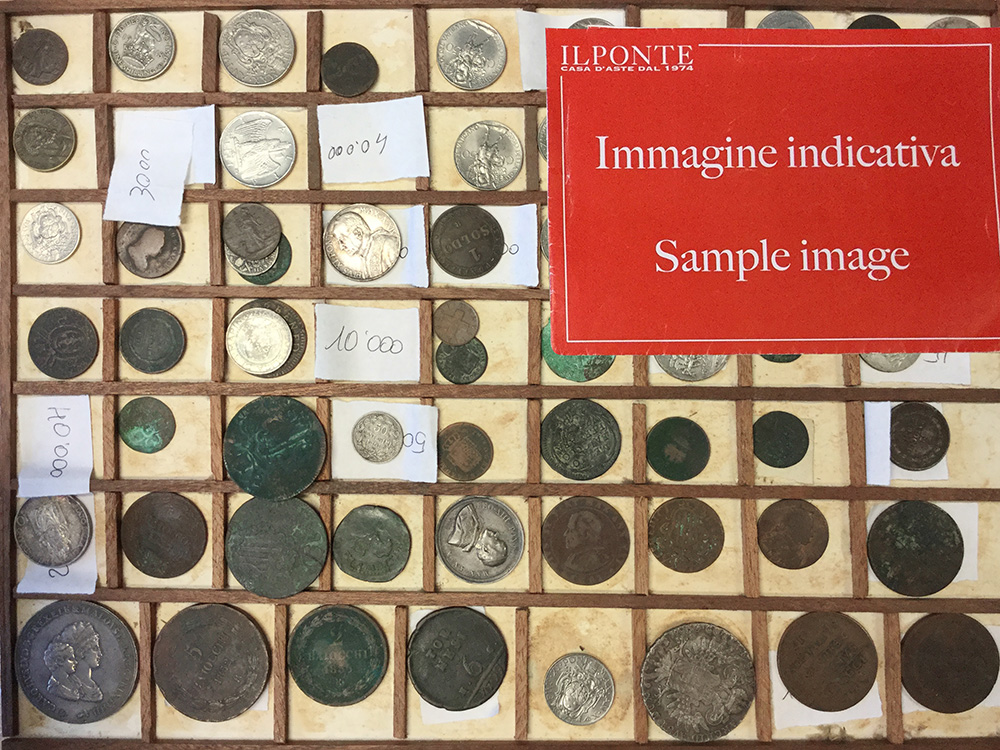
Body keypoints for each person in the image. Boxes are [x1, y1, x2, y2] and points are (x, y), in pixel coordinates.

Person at [43, 621, 103, 702]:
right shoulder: (66, 686)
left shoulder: (89, 685)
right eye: (95, 649)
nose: (100, 654)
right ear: (81, 651)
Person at [447, 503, 508, 568]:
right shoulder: (475, 526)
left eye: (496, 540)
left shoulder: (460, 537)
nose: (496, 535)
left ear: (485, 549)